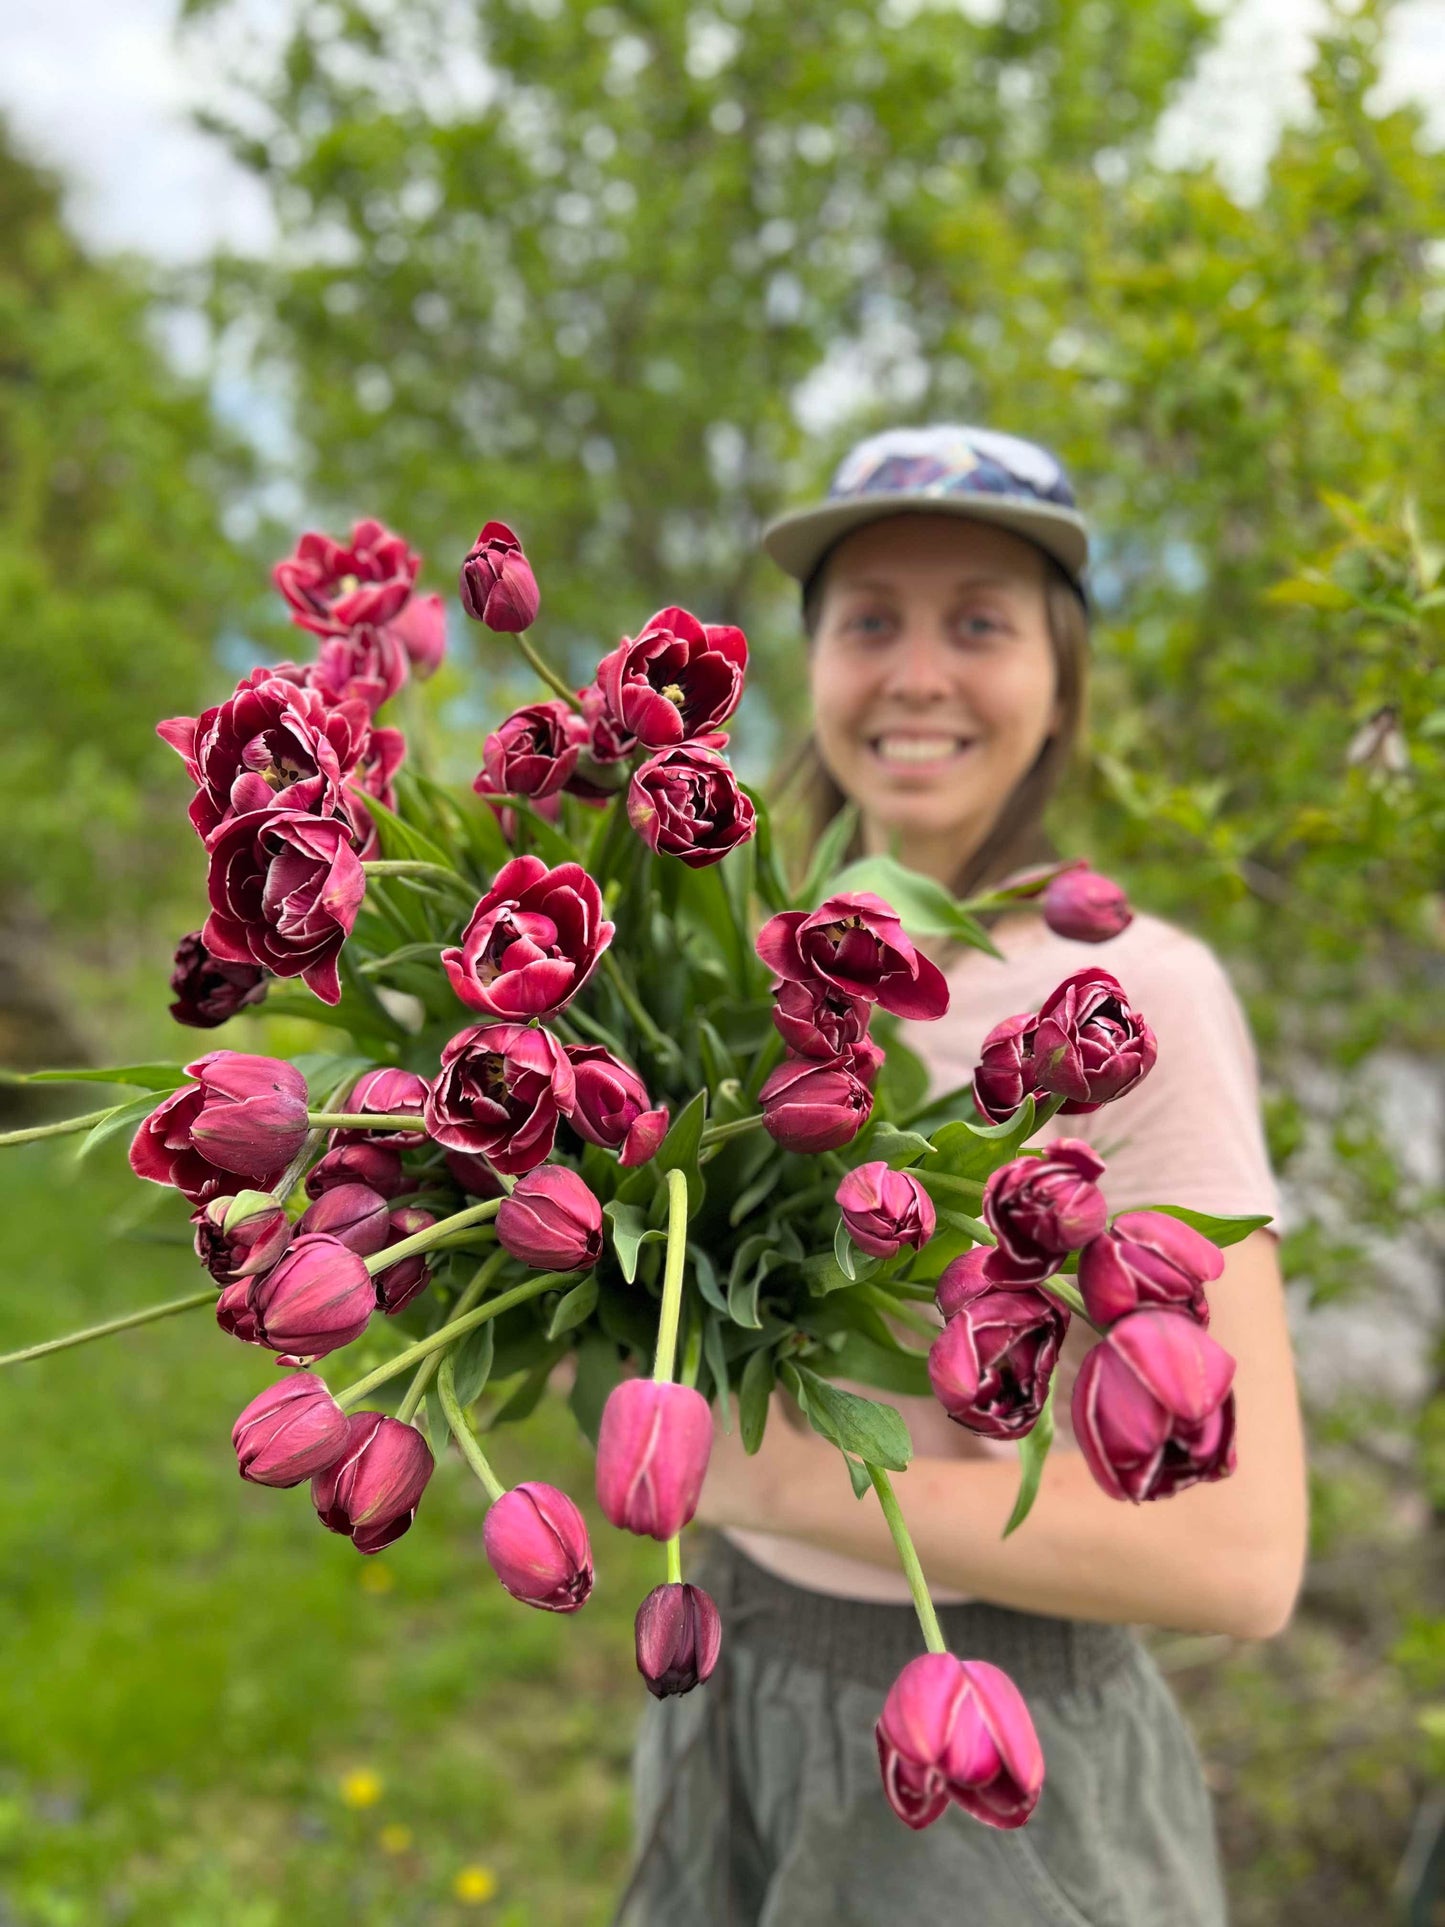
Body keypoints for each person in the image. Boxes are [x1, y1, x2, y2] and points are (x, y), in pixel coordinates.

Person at [618, 424, 1308, 1926]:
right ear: (810, 665)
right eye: (870, 621)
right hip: (720, 1676)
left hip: (989, 1751)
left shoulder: (1133, 999)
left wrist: (765, 1479)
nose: (917, 675)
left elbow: (1240, 1560)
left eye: (980, 625)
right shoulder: (711, 961)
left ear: (1061, 680)